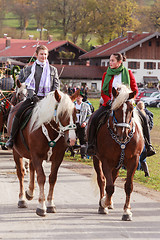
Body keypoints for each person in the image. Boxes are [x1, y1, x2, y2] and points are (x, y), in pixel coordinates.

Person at [87, 52, 156, 157]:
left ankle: (148, 145)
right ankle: (91, 145)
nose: (110, 62)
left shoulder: (128, 73)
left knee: (144, 118)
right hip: (110, 104)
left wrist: (129, 99)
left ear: (119, 62)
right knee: (94, 118)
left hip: (125, 104)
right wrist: (108, 101)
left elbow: (135, 90)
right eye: (110, 60)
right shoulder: (106, 74)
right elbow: (103, 92)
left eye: (112, 60)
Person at [6, 45, 60, 149]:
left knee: (65, 115)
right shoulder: (28, 69)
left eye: (45, 54)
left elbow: (56, 85)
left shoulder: (53, 70)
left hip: (49, 99)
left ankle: (66, 141)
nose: (43, 56)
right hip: (33, 99)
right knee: (18, 113)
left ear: (47, 55)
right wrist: (33, 96)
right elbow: (27, 84)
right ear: (36, 55)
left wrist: (50, 97)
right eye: (41, 54)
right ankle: (12, 138)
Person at [137, 101, 154, 177]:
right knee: (143, 159)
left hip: (139, 138)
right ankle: (146, 173)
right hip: (144, 139)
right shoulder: (146, 115)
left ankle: (136, 171)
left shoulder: (138, 116)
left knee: (137, 157)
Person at [74, 91, 92, 159]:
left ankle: (83, 155)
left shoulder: (86, 105)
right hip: (73, 124)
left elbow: (89, 115)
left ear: (82, 97)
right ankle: (73, 152)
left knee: (83, 140)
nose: (78, 98)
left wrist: (85, 122)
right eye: (77, 96)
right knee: (72, 139)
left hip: (81, 124)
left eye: (79, 96)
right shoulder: (72, 104)